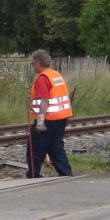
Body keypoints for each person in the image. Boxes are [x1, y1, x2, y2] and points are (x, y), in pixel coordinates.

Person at [27, 49, 73, 178]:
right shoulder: (56, 75)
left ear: (38, 62)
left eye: (32, 63)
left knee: (35, 149)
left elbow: (44, 100)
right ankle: (66, 173)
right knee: (56, 148)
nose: (32, 66)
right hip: (61, 118)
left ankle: (33, 175)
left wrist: (40, 120)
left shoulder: (42, 79)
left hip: (47, 120)